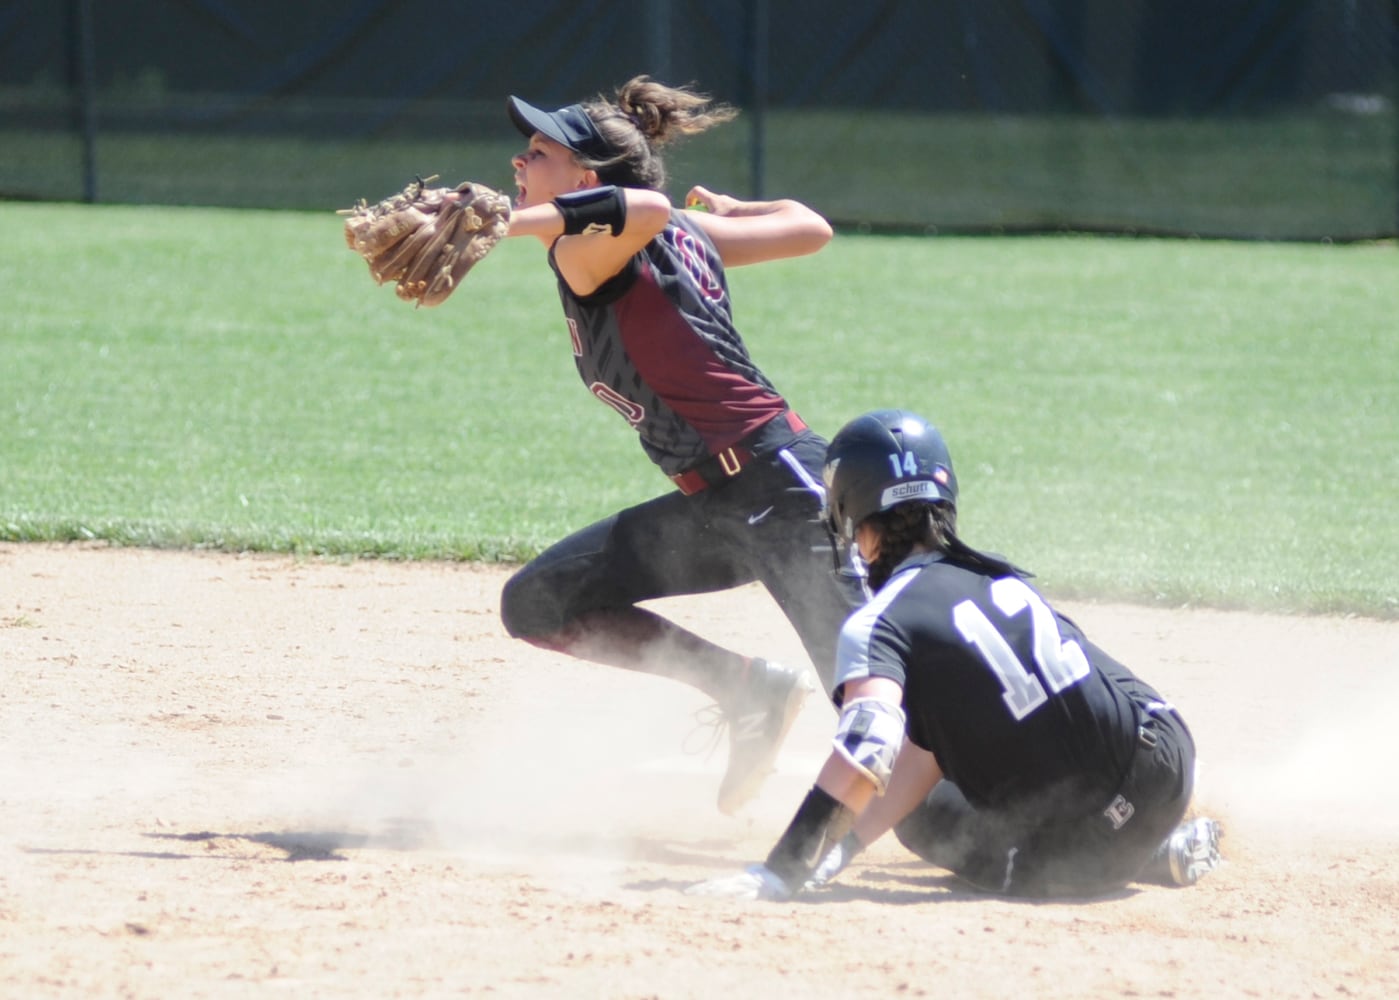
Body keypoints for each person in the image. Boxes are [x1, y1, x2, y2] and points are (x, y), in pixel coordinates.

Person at [495, 76, 866, 815]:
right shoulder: (681, 233)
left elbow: (653, 207)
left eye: (538, 152)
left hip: (784, 490)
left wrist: (499, 225)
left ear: (585, 180)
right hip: (717, 507)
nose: (519, 163)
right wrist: (733, 212)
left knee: (873, 704)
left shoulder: (587, 252)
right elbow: (808, 225)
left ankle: (1022, 787)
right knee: (539, 603)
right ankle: (745, 688)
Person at [688, 409, 1222, 899]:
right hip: (1168, 772)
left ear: (854, 515)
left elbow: (869, 745)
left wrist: (784, 870)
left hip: (1085, 851)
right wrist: (842, 848)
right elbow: (926, 752)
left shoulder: (880, 620)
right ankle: (1156, 841)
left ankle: (1141, 855)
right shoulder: (992, 572)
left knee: (925, 819)